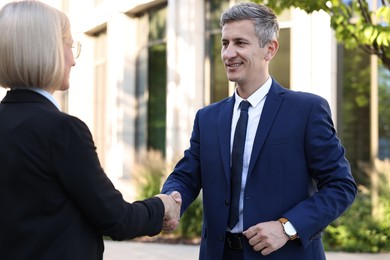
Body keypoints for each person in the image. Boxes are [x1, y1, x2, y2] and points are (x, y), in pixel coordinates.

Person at [162, 2, 357, 260]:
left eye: (240, 43)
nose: (228, 53)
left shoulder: (307, 110)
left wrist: (287, 227)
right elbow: (187, 176)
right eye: (225, 43)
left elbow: (340, 186)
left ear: (270, 49)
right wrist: (171, 199)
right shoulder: (207, 118)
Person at [0, 1, 180, 259]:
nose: (73, 60)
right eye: (69, 46)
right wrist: (162, 205)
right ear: (47, 49)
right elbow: (117, 219)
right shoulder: (62, 130)